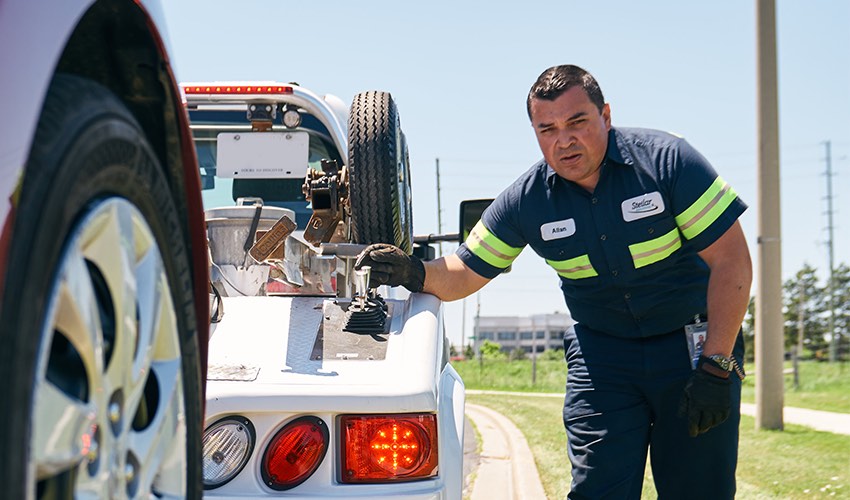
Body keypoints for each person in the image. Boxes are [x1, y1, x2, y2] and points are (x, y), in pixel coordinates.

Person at [355, 64, 752, 499]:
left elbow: (732, 262)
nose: (563, 140)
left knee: (699, 491)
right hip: (604, 359)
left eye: (577, 122)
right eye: (547, 129)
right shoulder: (527, 200)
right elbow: (465, 270)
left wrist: (717, 366)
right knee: (597, 491)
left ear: (606, 116)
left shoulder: (669, 161)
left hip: (691, 351)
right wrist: (413, 272)